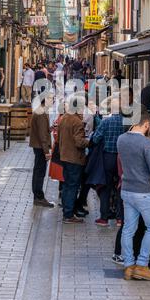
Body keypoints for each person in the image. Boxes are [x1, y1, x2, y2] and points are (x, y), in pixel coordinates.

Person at [118, 111, 150, 281]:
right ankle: (142, 265)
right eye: (149, 126)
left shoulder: (121, 139)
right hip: (143, 192)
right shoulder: (146, 143)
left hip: (126, 189)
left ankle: (129, 266)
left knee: (128, 229)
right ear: (146, 124)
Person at [92, 94, 125, 226]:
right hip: (121, 159)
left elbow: (95, 139)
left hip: (107, 158)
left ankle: (104, 217)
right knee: (120, 188)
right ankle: (119, 218)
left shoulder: (105, 122)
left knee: (105, 188)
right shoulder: (126, 122)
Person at [58, 95, 89, 224]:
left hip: (64, 156)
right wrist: (89, 141)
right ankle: (68, 214)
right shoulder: (77, 121)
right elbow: (79, 142)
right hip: (74, 158)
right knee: (72, 186)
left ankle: (66, 209)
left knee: (66, 184)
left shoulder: (64, 118)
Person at [29, 101, 54, 208]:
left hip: (38, 146)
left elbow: (43, 130)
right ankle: (39, 197)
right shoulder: (42, 113)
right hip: (40, 147)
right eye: (51, 99)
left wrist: (50, 129)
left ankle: (37, 196)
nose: (52, 101)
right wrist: (46, 152)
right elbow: (42, 135)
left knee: (38, 171)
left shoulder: (40, 110)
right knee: (40, 172)